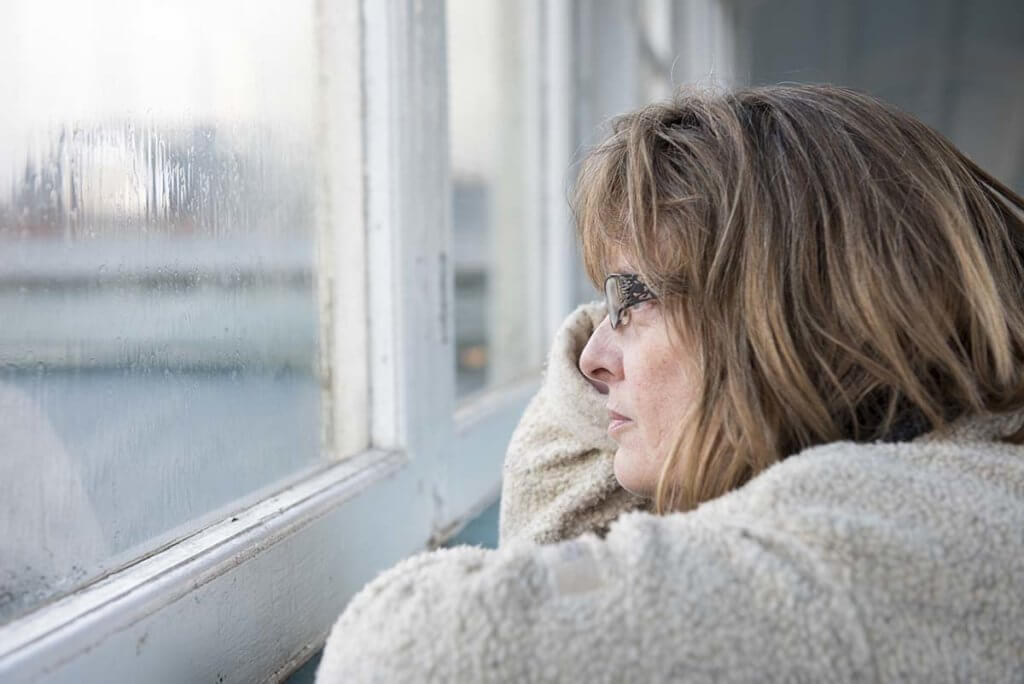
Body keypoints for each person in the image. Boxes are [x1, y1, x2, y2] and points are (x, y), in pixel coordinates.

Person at [316, 84, 1024, 682]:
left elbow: (401, 652)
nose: (591, 358)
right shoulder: (951, 490)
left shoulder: (866, 546)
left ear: (795, 315)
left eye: (633, 298)